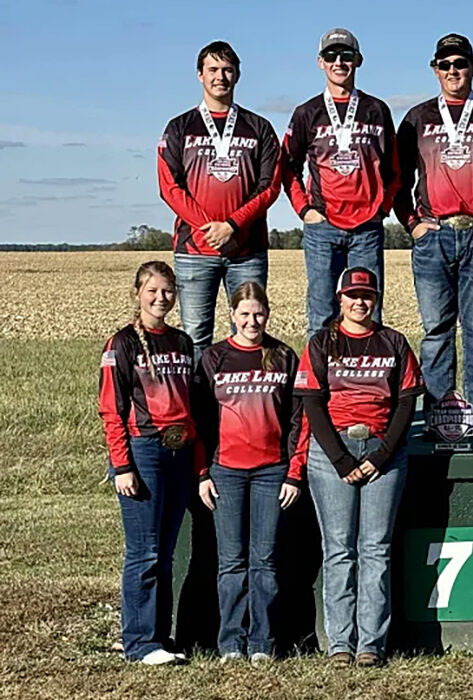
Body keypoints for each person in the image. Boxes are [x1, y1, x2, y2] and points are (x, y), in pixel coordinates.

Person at [291, 267, 424, 667]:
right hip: (334, 451)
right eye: (352, 295)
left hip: (384, 452)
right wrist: (342, 460)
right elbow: (312, 403)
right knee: (339, 551)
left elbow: (406, 402)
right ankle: (340, 645)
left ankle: (371, 644)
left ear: (376, 299)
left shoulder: (394, 342)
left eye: (367, 295)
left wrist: (380, 456)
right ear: (339, 299)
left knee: (375, 549)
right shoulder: (321, 342)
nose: (360, 302)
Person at [394, 33, 473, 430]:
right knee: (436, 333)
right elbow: (397, 178)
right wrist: (412, 225)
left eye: (459, 64)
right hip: (434, 235)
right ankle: (439, 417)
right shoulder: (417, 117)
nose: (452, 71)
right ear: (434, 70)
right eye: (444, 65)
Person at [98, 261, 203, 665]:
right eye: (153, 291)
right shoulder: (121, 344)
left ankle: (158, 637)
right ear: (138, 294)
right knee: (144, 550)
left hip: (179, 454)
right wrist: (121, 466)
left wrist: (197, 462)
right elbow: (112, 410)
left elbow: (190, 408)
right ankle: (139, 642)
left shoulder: (182, 342)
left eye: (168, 291)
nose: (161, 298)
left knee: (165, 550)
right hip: (143, 452)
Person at [194, 282, 302, 665]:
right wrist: (203, 471)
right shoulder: (214, 358)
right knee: (231, 562)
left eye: (258, 313)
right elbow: (200, 421)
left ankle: (262, 642)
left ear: (267, 314)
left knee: (266, 561)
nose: (252, 321)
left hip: (272, 471)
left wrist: (293, 472)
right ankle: (229, 643)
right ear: (232, 316)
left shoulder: (283, 355)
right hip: (226, 473)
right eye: (244, 314)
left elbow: (297, 420)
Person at [157, 41, 282, 360]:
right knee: (196, 336)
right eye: (212, 69)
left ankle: (243, 407)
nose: (220, 76)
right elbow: (169, 186)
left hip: (247, 249)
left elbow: (269, 186)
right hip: (195, 249)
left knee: (249, 332)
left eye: (227, 70)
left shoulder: (260, 128)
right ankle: (199, 408)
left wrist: (232, 225)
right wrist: (207, 227)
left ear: (238, 75)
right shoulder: (179, 127)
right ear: (199, 75)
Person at [283, 28, 399, 334]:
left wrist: (382, 209)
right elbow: (288, 167)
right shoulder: (306, 112)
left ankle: (368, 379)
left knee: (368, 313)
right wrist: (305, 211)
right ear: (320, 62)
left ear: (358, 60)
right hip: (323, 227)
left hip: (366, 228)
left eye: (346, 55)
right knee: (322, 314)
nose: (339, 62)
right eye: (331, 55)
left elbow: (394, 169)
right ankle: (319, 383)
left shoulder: (377, 110)